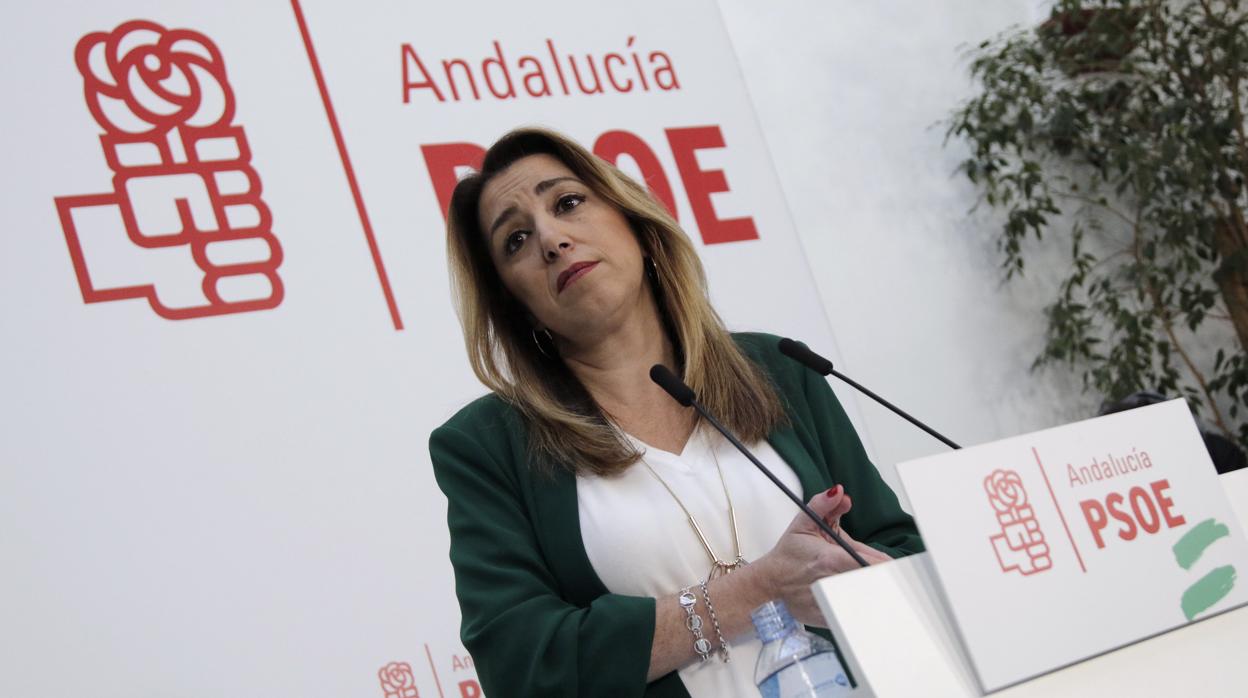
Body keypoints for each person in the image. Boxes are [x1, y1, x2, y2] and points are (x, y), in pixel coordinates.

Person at [429, 127, 923, 698]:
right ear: (516, 305)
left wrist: (857, 577)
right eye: (515, 239)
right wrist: (755, 591)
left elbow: (902, 549)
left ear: (636, 225)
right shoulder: (487, 445)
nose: (551, 239)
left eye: (567, 203)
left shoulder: (780, 368)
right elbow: (523, 666)